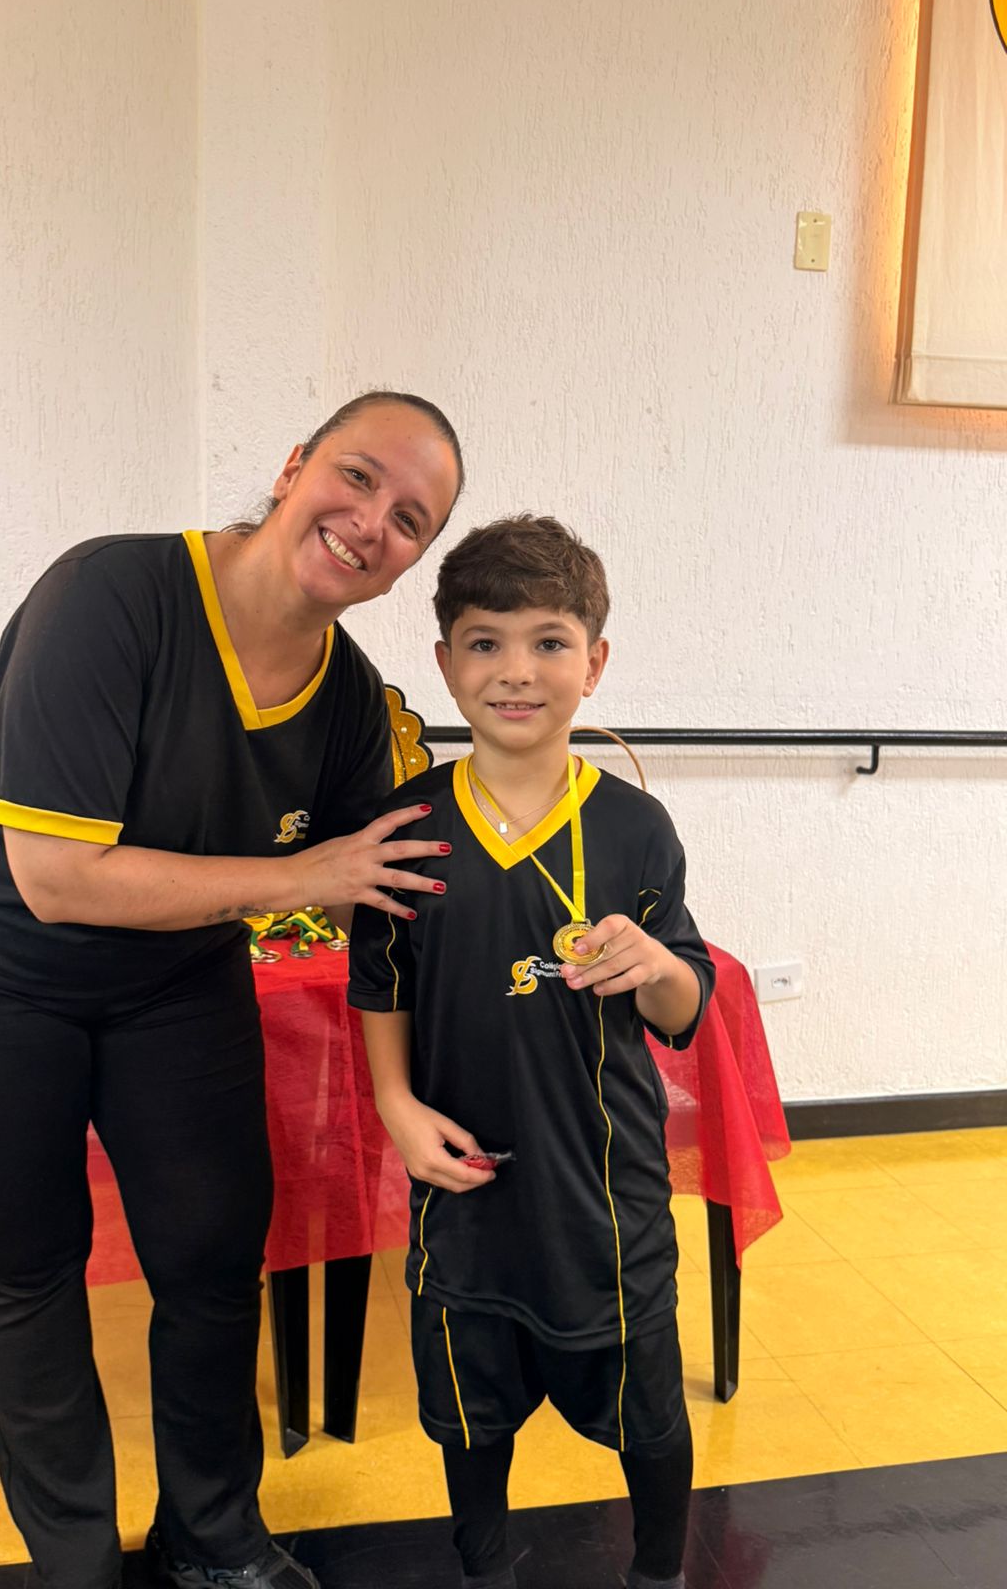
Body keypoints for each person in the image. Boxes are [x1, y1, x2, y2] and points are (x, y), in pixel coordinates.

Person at [0, 391, 464, 1589]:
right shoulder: (112, 595)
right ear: (292, 466)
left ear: (411, 563)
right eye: (356, 477)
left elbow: (379, 887)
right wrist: (299, 875)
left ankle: (214, 1535)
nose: (370, 522)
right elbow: (56, 876)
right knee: (32, 1266)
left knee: (212, 1250)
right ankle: (76, 1563)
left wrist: (549, 920)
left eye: (409, 519)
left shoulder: (347, 700)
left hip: (170, 970)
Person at [348, 515, 715, 1589]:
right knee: (470, 1418)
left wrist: (653, 961)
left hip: (606, 1196)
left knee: (651, 1417)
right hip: (465, 1191)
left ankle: (659, 1571)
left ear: (593, 662)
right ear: (444, 662)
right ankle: (485, 1569)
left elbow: (686, 1005)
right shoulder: (405, 825)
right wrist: (394, 1104)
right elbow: (380, 983)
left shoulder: (637, 829)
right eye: (485, 641)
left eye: (549, 641)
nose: (516, 671)